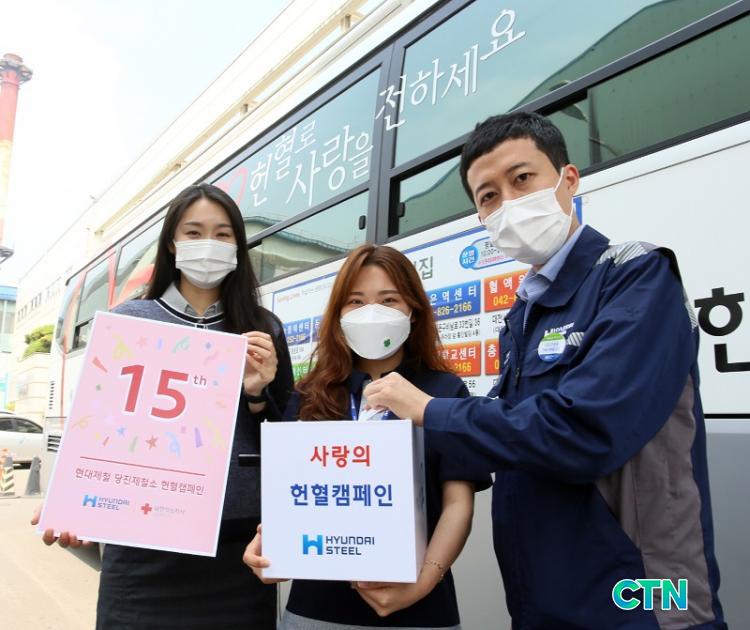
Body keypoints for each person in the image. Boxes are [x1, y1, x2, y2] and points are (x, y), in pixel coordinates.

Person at [362, 113, 726, 629]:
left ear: (568, 179)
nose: (508, 203)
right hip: (543, 595)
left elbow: (583, 431)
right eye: (489, 196)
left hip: (641, 594)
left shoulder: (636, 276)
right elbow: (511, 435)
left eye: (522, 178)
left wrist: (430, 410)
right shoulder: (524, 312)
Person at [32, 183, 294, 629]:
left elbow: (287, 436)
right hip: (141, 553)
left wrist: (256, 393)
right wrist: (68, 502)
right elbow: (94, 426)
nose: (208, 244)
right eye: (193, 232)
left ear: (238, 246)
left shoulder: (263, 329)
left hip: (236, 552)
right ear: (172, 243)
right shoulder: (129, 321)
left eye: (223, 234)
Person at [243, 244, 491, 629]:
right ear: (339, 314)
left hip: (421, 610)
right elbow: (289, 497)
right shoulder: (310, 393)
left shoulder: (443, 393)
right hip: (316, 610)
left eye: (389, 300)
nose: (371, 312)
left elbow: (458, 504)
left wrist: (423, 582)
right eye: (356, 301)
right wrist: (271, 546)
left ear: (412, 309)